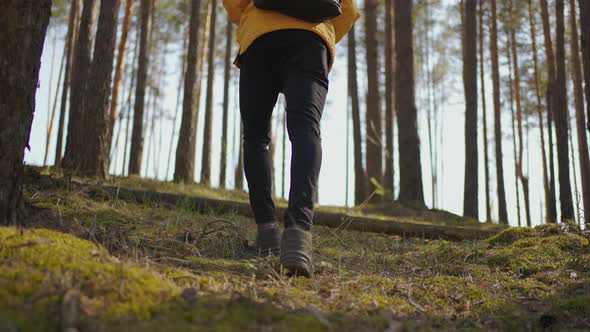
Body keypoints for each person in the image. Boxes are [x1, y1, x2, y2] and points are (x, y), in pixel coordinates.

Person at [223, 0, 360, 278]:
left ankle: (267, 232)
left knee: (256, 138)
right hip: (311, 40)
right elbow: (349, 11)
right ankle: (298, 236)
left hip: (260, 38)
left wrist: (253, 19)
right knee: (306, 129)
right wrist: (323, 31)